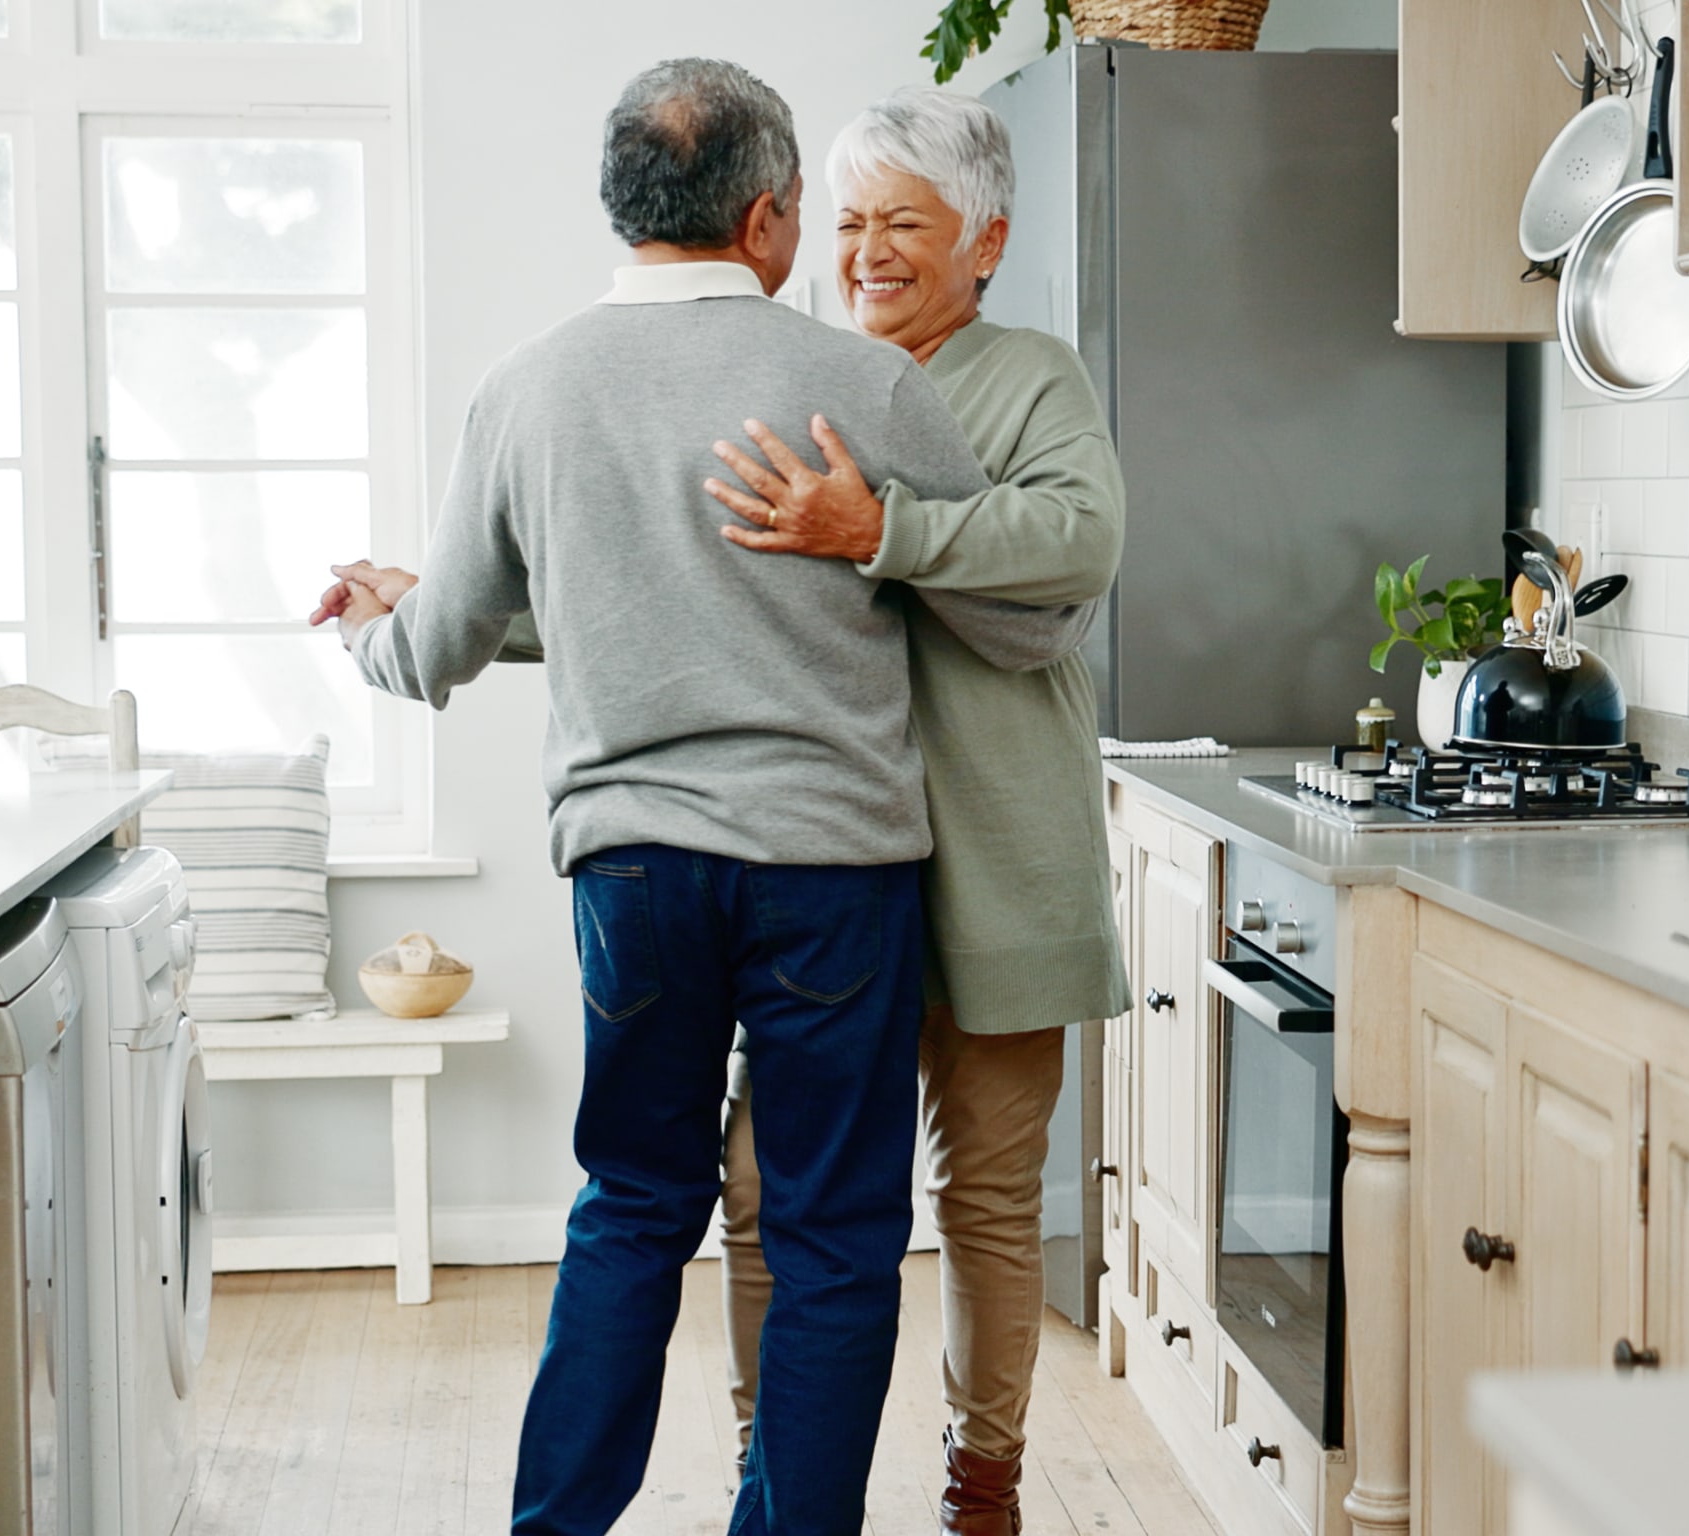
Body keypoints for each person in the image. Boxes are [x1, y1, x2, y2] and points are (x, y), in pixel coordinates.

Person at [305, 59, 1104, 1536]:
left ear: (622, 205)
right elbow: (1020, 621)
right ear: (769, 218)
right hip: (834, 874)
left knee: (632, 1206)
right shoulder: (861, 384)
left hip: (632, 878)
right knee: (834, 1233)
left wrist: (369, 625)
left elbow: (437, 651)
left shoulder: (524, 390)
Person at [692, 86, 1127, 1536]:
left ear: (984, 241)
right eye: (853, 223)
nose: (869, 255)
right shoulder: (800, 374)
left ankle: (982, 1483)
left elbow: (1079, 535)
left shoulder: (1027, 377)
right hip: (824, 877)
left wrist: (880, 531)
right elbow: (674, 579)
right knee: (762, 1188)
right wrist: (442, 606)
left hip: (1007, 865)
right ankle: (774, 1470)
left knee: (988, 1207)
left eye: (906, 227)